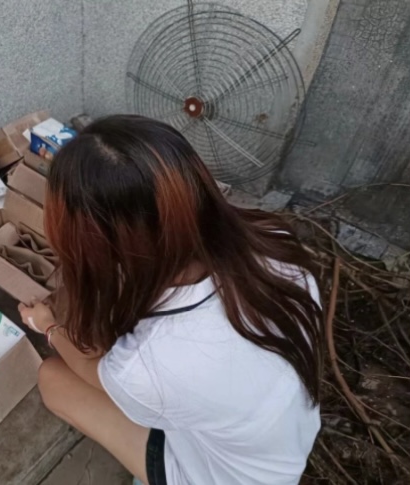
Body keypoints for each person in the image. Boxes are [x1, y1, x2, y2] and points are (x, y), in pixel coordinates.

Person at [18, 115, 323, 485]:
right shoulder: (272, 241)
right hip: (283, 444)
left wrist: (49, 327)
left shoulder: (151, 363)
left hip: (225, 477)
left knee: (53, 378)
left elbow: (97, 374)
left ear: (98, 244)